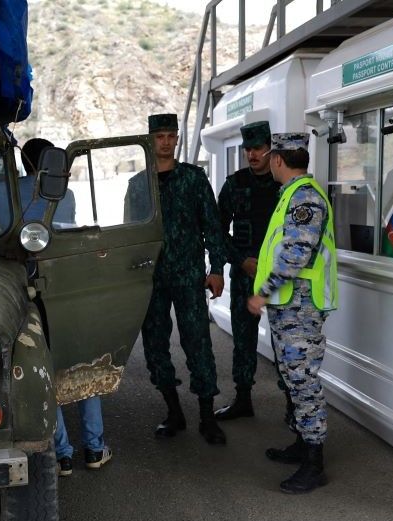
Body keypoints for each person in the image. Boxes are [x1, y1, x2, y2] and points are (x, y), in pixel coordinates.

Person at [125, 113, 231, 445]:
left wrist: (216, 269)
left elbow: (213, 227)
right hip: (151, 279)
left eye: (172, 136)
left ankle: (206, 416)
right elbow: (130, 235)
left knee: (198, 343)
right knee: (155, 346)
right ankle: (174, 412)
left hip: (189, 277)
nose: (167, 142)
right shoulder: (137, 185)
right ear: (149, 140)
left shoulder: (194, 179)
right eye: (160, 137)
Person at [247, 132, 337, 494]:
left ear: (278, 160)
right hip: (290, 306)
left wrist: (262, 294)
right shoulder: (293, 195)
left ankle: (314, 464)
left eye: (270, 156)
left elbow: (296, 254)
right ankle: (302, 444)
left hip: (300, 306)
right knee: (292, 377)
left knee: (303, 380)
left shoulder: (304, 199)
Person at [17, 137, 108, 474]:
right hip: (67, 287)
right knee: (82, 364)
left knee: (47, 370)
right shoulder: (65, 195)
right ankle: (95, 449)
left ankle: (63, 453)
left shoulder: (11, 192)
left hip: (28, 289)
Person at [211, 121, 285, 421]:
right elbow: (216, 230)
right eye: (248, 149)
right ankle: (243, 399)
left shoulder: (285, 185)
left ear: (270, 149)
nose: (252, 155)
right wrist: (241, 260)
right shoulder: (234, 184)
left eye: (257, 148)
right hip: (245, 272)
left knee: (285, 339)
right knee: (243, 338)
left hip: (281, 275)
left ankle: (294, 403)